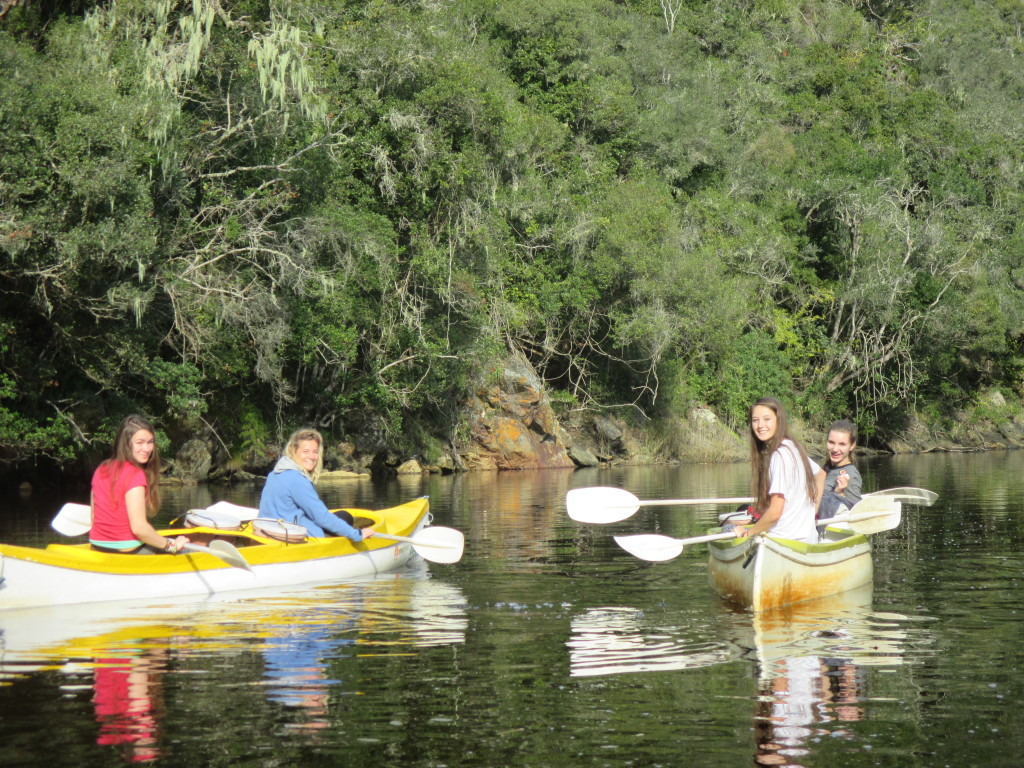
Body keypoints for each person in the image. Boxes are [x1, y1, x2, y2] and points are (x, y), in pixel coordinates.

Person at [90, 414, 190, 555]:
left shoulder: (101, 469)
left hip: (97, 546)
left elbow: (93, 518)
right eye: (140, 442)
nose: (147, 448)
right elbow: (139, 528)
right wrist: (171, 546)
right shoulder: (135, 475)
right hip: (128, 550)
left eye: (150, 442)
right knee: (187, 551)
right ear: (126, 443)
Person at [734, 397, 826, 544]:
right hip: (807, 539)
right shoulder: (792, 447)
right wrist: (812, 512)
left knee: (730, 530)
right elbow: (821, 475)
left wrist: (748, 533)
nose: (760, 425)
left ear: (778, 420)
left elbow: (775, 512)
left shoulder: (779, 456)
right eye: (755, 420)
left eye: (767, 419)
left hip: (782, 541)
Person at [259, 428, 375, 541]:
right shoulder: (297, 479)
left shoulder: (274, 474)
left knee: (344, 515)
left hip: (269, 530)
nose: (312, 457)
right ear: (293, 451)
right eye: (305, 451)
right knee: (345, 518)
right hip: (295, 537)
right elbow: (322, 518)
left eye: (315, 452)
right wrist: (356, 534)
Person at [817, 419, 863, 521]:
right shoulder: (827, 468)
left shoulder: (851, 474)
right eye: (831, 442)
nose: (835, 449)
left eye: (842, 444)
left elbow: (856, 511)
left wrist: (840, 494)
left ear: (852, 446)